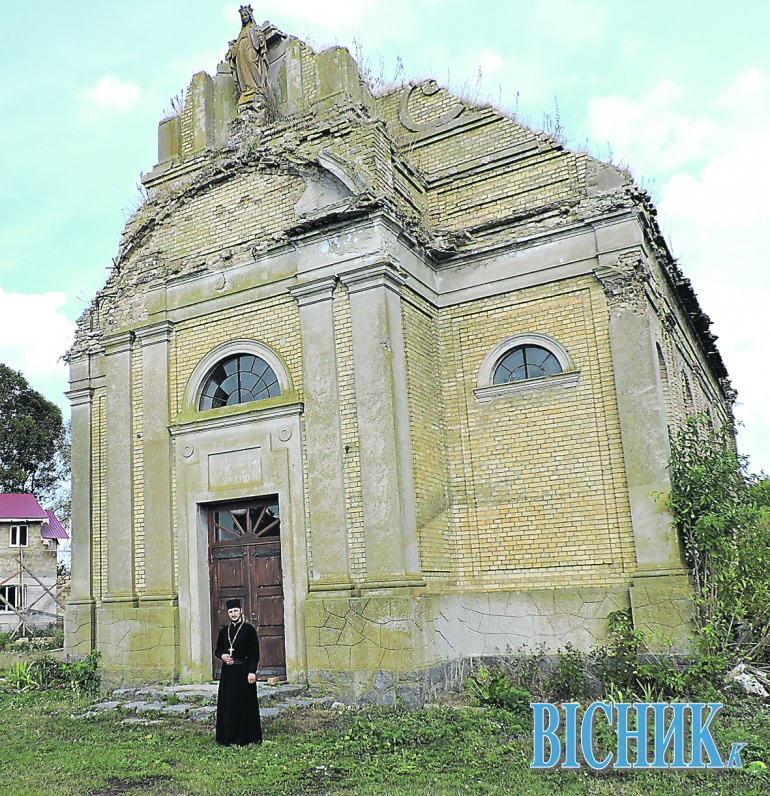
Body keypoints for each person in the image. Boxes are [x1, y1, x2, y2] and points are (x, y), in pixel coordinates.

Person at [215, 598, 262, 745]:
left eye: (235, 611)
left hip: (244, 671)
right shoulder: (224, 631)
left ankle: (247, 737)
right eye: (230, 612)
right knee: (229, 704)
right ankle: (228, 737)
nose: (233, 614)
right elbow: (218, 650)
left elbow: (254, 653)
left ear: (240, 611)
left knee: (245, 704)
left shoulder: (249, 630)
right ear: (228, 613)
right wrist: (223, 656)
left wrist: (252, 672)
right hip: (228, 673)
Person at [226, 5, 269, 105]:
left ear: (250, 15)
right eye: (242, 16)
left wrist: (261, 39)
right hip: (241, 53)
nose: (244, 17)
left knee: (251, 62)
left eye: (245, 15)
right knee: (242, 69)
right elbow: (236, 45)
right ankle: (247, 89)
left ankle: (257, 87)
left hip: (250, 48)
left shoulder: (254, 27)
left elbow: (260, 35)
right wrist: (232, 51)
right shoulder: (241, 32)